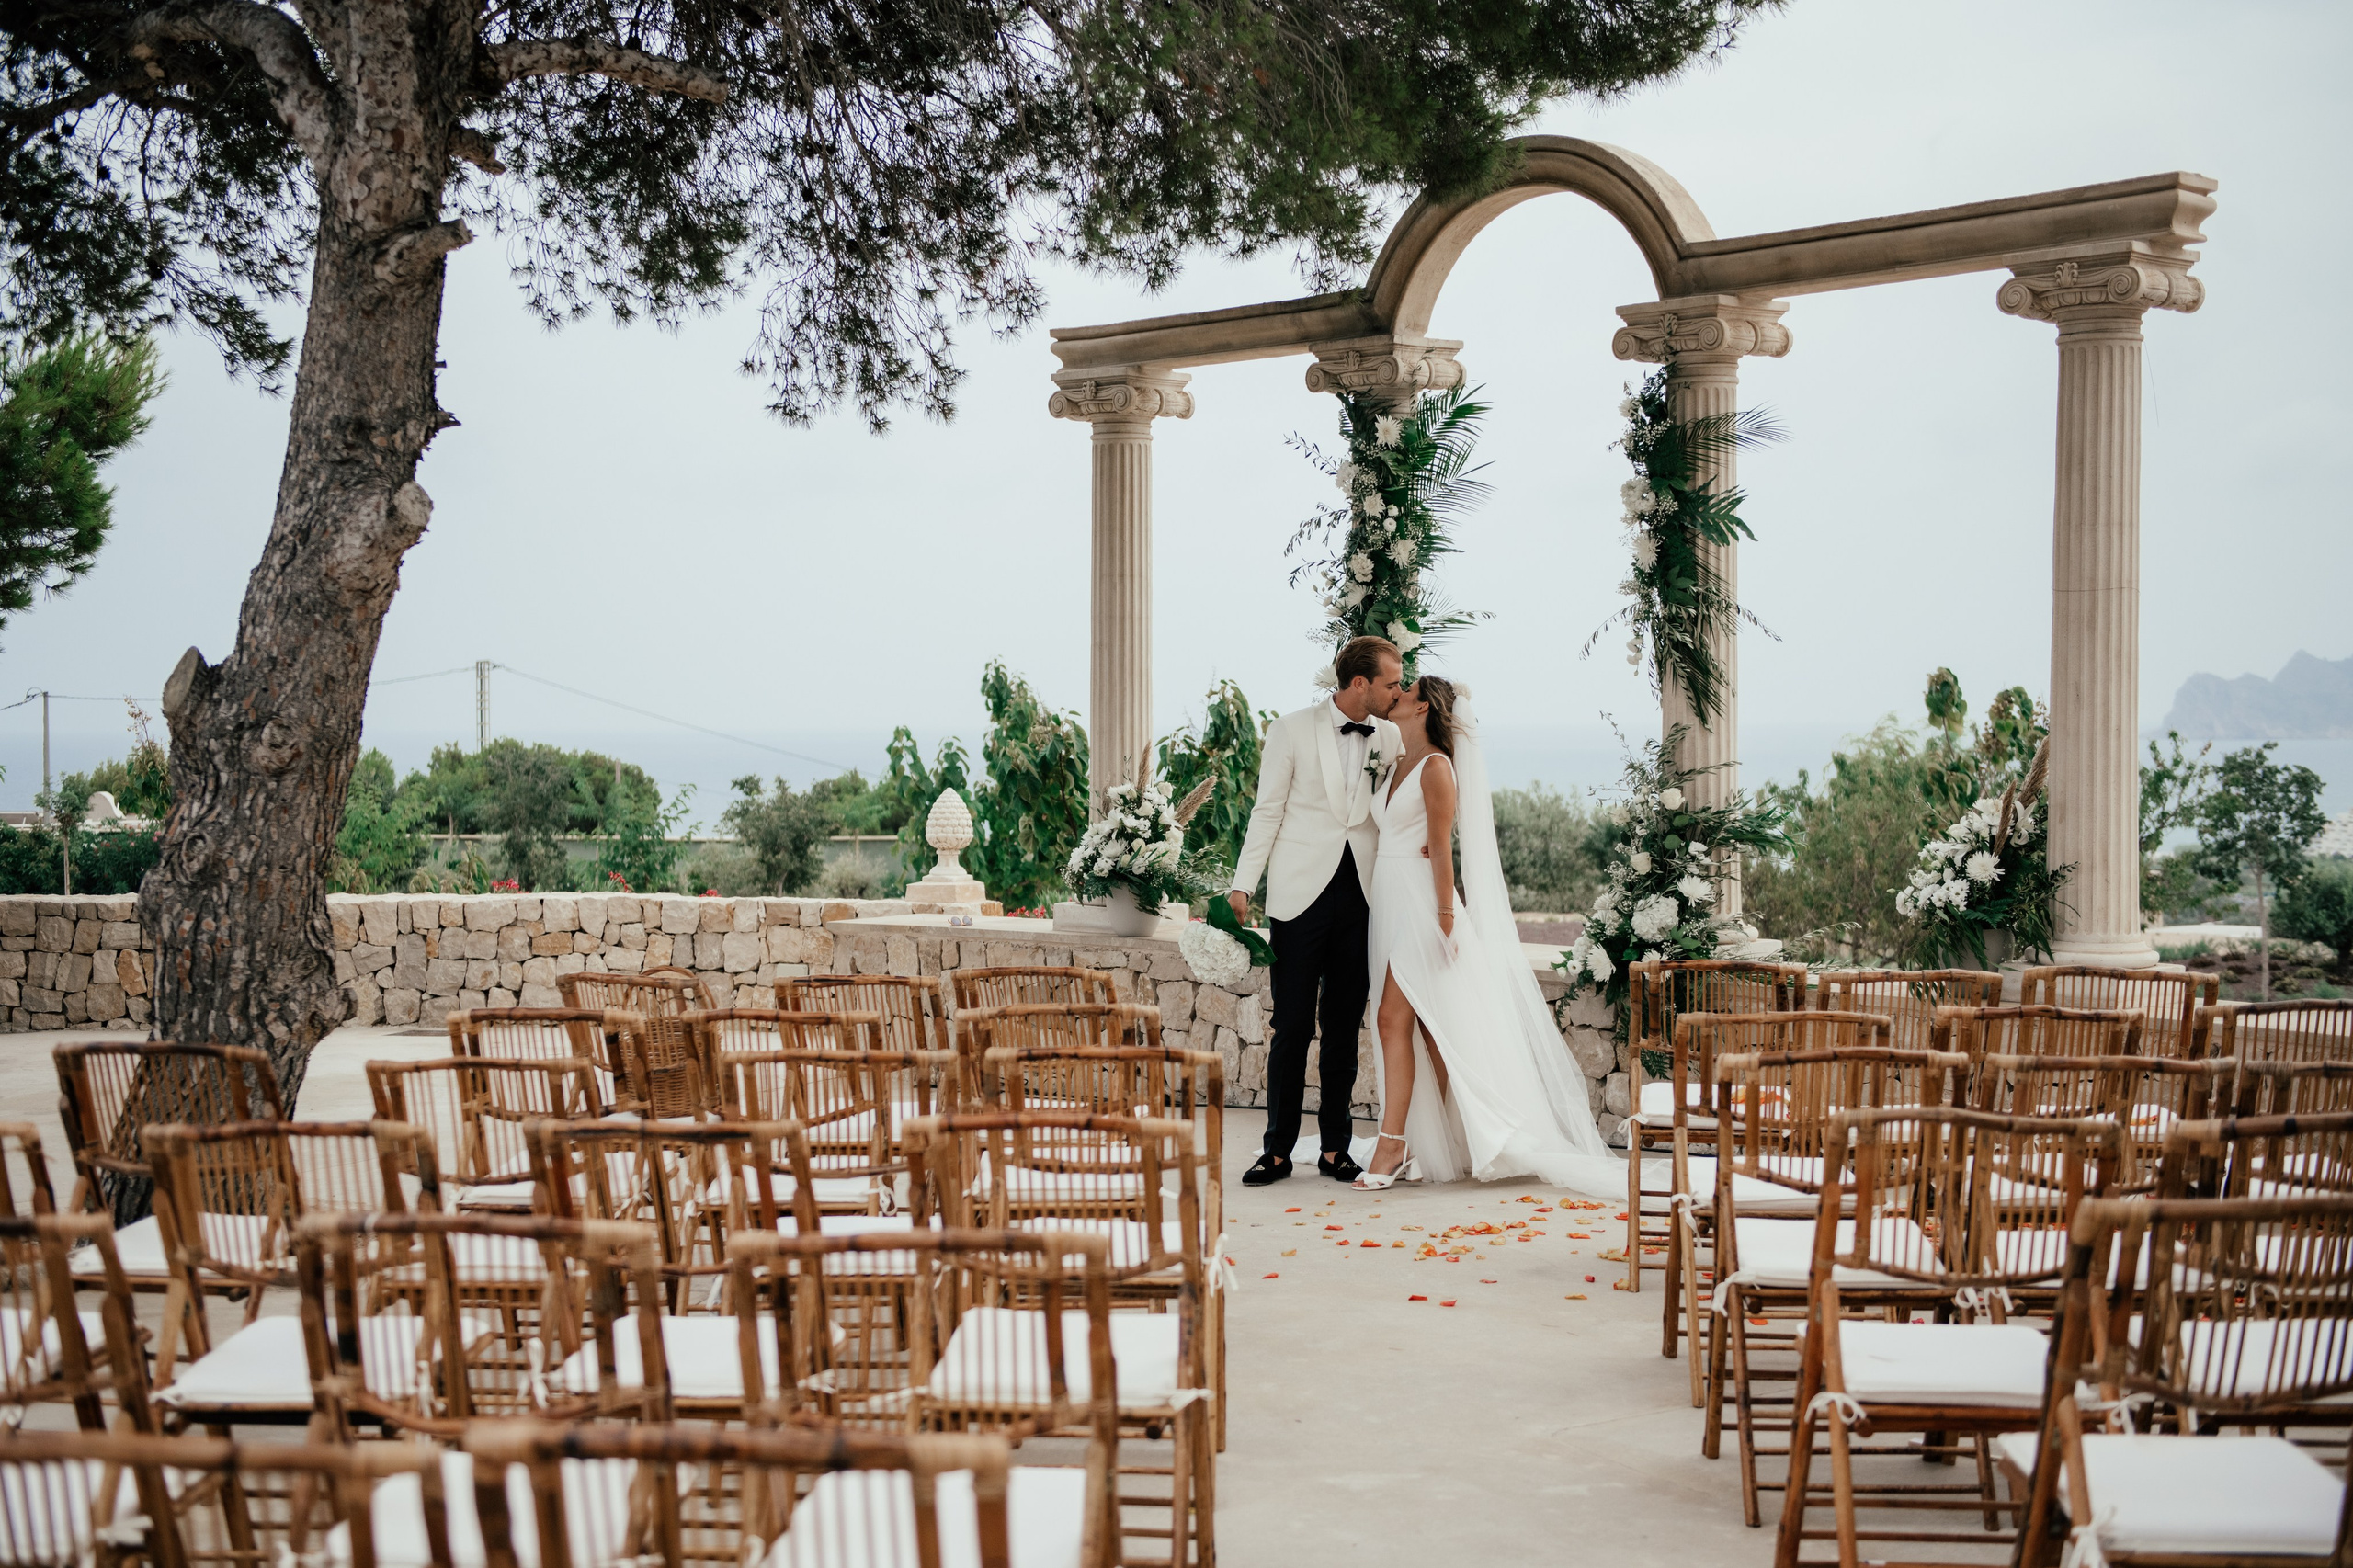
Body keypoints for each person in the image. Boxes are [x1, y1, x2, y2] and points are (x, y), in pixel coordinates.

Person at [1352, 674, 1621, 1196]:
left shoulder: (1436, 767)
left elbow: (1441, 848)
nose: (1397, 693)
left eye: (1406, 690)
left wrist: (1446, 919)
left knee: (1390, 1019)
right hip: (1390, 899)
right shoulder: (1397, 760)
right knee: (1429, 1025)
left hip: (1422, 907)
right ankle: (1429, 1144)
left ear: (1423, 707)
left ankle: (1393, 1142)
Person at [1227, 635, 1405, 1187]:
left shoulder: (1390, 736)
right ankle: (1277, 1151)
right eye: (1391, 683)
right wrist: (1242, 885)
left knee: (1344, 1026)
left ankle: (1335, 1149)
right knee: (1292, 1025)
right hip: (1298, 896)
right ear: (1360, 683)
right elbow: (1267, 811)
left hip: (1363, 895)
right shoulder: (1290, 730)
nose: (1398, 693)